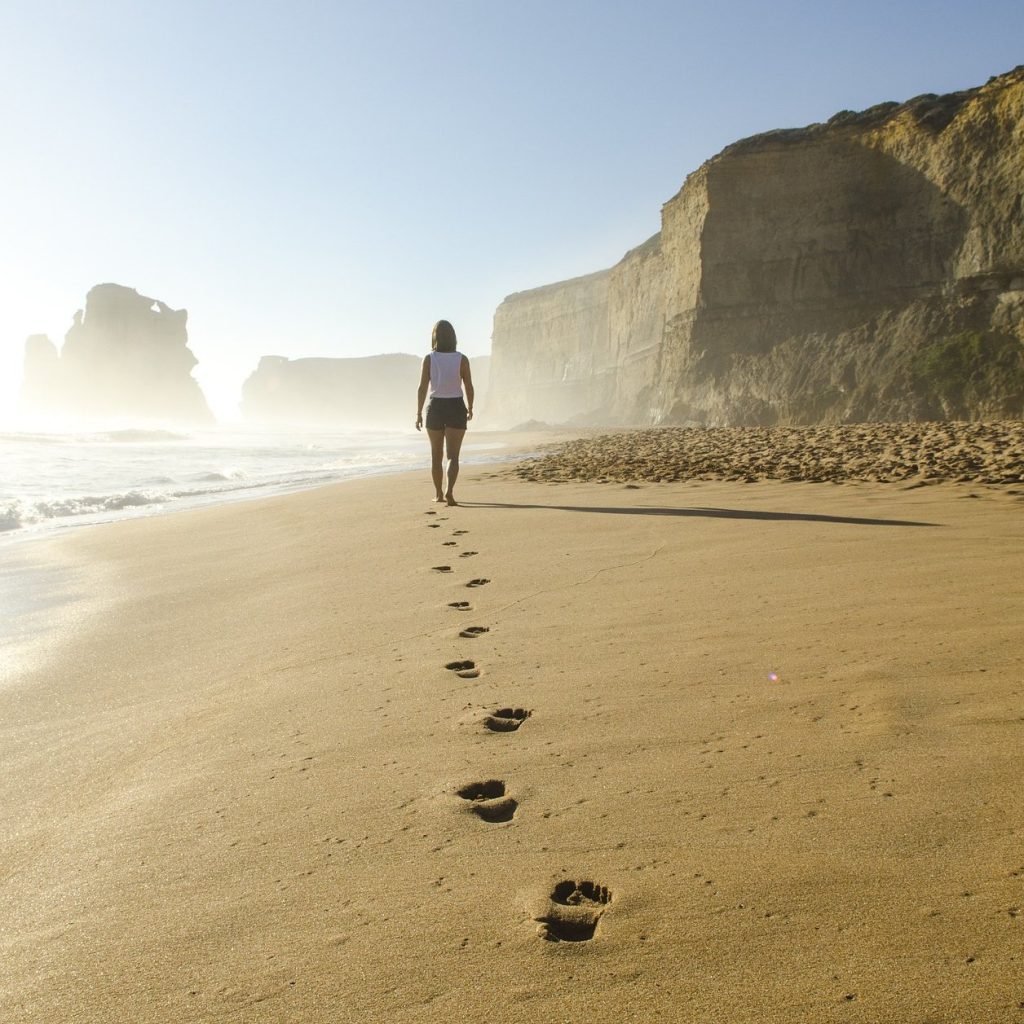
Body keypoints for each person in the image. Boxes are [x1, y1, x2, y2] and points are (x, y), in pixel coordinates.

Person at [415, 319, 474, 505]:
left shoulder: (429, 358)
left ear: (435, 337)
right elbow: (469, 386)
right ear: (453, 338)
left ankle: (439, 494)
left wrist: (418, 413)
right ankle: (450, 492)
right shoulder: (462, 359)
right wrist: (470, 407)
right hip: (456, 405)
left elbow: (422, 387)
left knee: (436, 454)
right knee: (453, 456)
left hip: (435, 407)